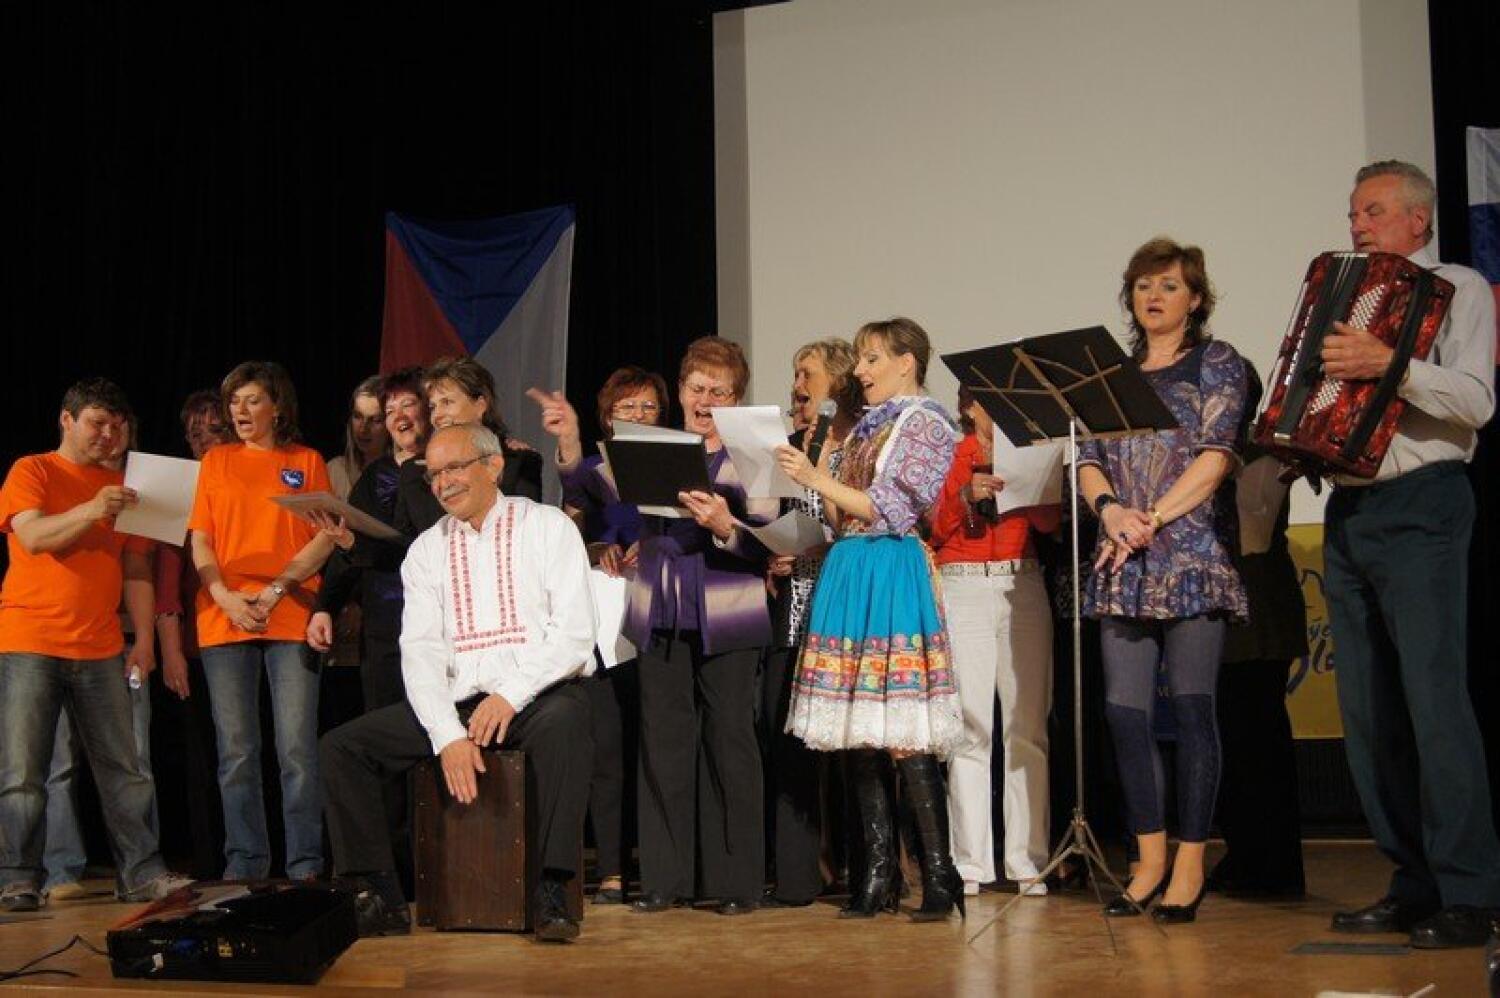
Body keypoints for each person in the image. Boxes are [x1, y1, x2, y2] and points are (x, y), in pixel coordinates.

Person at [319, 423, 596, 942]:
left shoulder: (547, 526)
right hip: (459, 706)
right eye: (433, 474)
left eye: (454, 468)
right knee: (343, 748)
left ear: (493, 467)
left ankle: (552, 889)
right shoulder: (427, 550)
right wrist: (447, 734)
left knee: (568, 719)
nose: (442, 483)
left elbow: (575, 636)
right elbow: (420, 653)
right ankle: (379, 895)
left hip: (534, 697)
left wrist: (510, 695)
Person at [1321, 160, 1500, 949]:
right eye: (1353, 213)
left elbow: (1476, 402)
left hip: (1423, 503)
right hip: (1349, 508)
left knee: (1434, 704)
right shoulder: (1341, 302)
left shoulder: (1458, 287)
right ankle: (1412, 882)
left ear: (1418, 220)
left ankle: (1471, 890)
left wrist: (1388, 364)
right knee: (1369, 717)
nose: (1357, 225)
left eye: (1374, 211)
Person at [1077, 238, 1248, 924]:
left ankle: (1190, 861)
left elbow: (1216, 457)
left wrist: (1152, 516)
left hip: (1192, 557)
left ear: (1195, 299)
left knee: (1195, 711)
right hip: (1122, 556)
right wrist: (1111, 512)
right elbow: (1089, 459)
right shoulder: (1110, 374)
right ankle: (1147, 861)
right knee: (1125, 714)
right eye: (1144, 285)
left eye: (1169, 285)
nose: (1154, 296)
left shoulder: (1216, 361)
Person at [776, 316, 964, 921]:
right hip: (851, 567)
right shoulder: (866, 426)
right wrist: (826, 461)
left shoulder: (927, 422)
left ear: (907, 362)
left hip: (889, 568)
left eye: (872, 358)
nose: (860, 370)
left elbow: (891, 510)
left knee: (903, 734)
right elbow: (841, 518)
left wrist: (817, 475)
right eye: (859, 358)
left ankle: (940, 874)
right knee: (859, 735)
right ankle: (876, 874)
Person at [0, 378, 190, 911]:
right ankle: (18, 878)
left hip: (102, 645)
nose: (107, 435)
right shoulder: (33, 470)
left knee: (124, 769)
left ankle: (141, 874)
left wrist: (145, 640)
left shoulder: (127, 486)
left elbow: (137, 567)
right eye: (96, 423)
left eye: (116, 426)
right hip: (31, 639)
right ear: (67, 420)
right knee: (23, 771)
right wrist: (91, 508)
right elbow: (33, 536)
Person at [626, 337, 776, 916]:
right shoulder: (655, 449)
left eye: (720, 391)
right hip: (662, 610)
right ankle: (665, 880)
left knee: (730, 742)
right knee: (663, 743)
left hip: (728, 611)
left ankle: (737, 882)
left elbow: (770, 542)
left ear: (737, 399)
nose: (705, 400)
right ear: (681, 389)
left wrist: (724, 526)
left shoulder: (753, 454)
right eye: (696, 388)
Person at [188, 361, 335, 880]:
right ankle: (246, 864)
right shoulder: (216, 461)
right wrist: (224, 597)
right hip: (225, 616)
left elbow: (324, 538)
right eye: (234, 402)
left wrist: (275, 590)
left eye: (252, 400)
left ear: (277, 407)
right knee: (237, 753)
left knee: (296, 750)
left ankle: (305, 864)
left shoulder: (306, 460)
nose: (241, 410)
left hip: (290, 614)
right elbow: (201, 539)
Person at [533, 365, 670, 905]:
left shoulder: (678, 463)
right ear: (608, 417)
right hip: (606, 623)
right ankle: (611, 868)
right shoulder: (594, 469)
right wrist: (596, 548)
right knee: (608, 747)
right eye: (626, 407)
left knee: (658, 748)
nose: (637, 415)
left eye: (648, 406)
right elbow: (569, 519)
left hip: (666, 619)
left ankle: (660, 867)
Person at [928, 385, 1060, 898]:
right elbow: (934, 528)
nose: (999, 410)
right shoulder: (950, 452)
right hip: (962, 583)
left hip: (1020, 579)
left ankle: (1027, 859)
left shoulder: (1030, 447)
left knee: (1027, 723)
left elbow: (1049, 521)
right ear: (968, 407)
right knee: (970, 725)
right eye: (987, 400)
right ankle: (970, 862)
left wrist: (1030, 478)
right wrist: (966, 495)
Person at [760, 338, 861, 908]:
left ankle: (857, 865)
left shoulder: (859, 446)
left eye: (807, 375)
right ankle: (801, 874)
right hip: (793, 609)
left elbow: (868, 523)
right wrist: (771, 551)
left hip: (844, 609)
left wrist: (819, 549)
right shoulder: (789, 448)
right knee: (791, 739)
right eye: (794, 375)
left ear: (837, 384)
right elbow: (773, 518)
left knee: (849, 745)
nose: (797, 386)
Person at [1208, 365, 1308, 898]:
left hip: (1257, 606)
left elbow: (1253, 526)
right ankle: (1246, 854)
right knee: (1232, 737)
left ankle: (1274, 865)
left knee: (1259, 738)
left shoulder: (1265, 451)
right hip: (1230, 606)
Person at [308, 367, 431, 713]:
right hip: (383, 622)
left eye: (407, 405)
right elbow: (350, 546)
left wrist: (354, 545)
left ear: (428, 409)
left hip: (435, 622)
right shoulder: (376, 474)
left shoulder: (446, 469)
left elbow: (421, 546)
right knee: (383, 718)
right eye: (390, 410)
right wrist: (325, 607)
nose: (398, 416)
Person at [154, 390, 232, 880]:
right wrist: (171, 650)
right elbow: (166, 576)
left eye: (214, 430)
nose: (204, 440)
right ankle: (210, 864)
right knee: (205, 757)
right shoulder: (175, 487)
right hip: (197, 643)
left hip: (250, 636)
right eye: (195, 432)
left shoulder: (244, 476)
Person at [423, 356, 543, 502]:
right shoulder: (415, 474)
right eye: (433, 407)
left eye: (447, 402)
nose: (437, 415)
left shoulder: (518, 464)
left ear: (480, 406)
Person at [327, 376, 389, 500]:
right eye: (358, 416)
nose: (363, 428)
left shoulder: (400, 473)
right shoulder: (335, 469)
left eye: (375, 420)